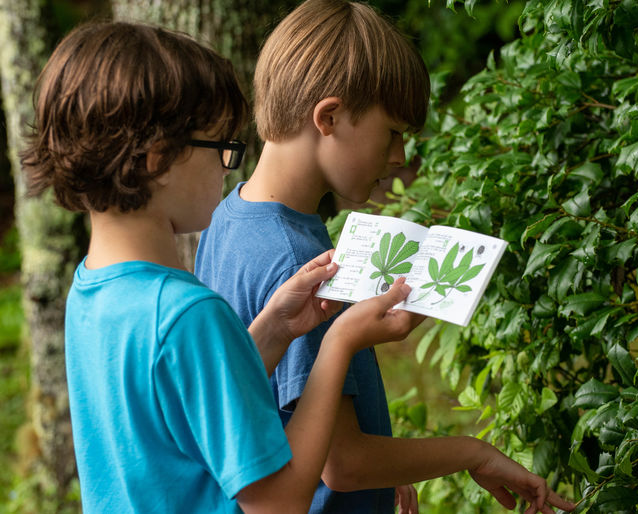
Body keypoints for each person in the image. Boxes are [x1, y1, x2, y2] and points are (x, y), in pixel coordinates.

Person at [20, 21, 425, 513]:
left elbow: (184, 406)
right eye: (219, 147)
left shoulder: (92, 289)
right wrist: (339, 343)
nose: (229, 166)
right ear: (156, 158)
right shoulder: (188, 313)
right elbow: (279, 503)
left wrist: (274, 330)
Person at [195, 1, 576, 513]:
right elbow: (344, 465)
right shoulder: (296, 260)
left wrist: (387, 465)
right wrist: (473, 452)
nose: (398, 157)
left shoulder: (231, 215)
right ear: (328, 117)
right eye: (392, 132)